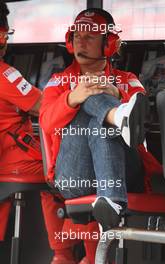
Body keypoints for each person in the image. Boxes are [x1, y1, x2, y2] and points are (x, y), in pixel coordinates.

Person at [40, 8, 146, 262]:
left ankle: (112, 117)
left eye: (89, 36)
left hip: (126, 172)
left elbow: (144, 117)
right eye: (77, 35)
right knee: (90, 93)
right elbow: (46, 122)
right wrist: (73, 98)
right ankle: (115, 117)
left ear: (108, 43)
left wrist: (118, 95)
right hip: (75, 174)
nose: (80, 41)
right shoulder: (58, 81)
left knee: (98, 104)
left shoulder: (128, 81)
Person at [0, 2, 92, 264]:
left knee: (54, 180)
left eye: (7, 36)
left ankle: (62, 255)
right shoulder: (4, 75)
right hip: (15, 161)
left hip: (7, 159)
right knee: (74, 173)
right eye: (2, 36)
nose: (5, 43)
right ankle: (84, 254)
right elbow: (45, 106)